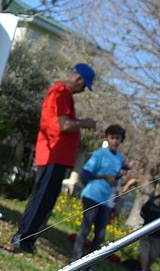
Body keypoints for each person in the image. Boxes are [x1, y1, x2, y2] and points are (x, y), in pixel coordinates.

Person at [11, 63, 97, 254]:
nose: (83, 90)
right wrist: (85, 123)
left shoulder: (62, 93)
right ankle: (23, 238)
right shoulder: (61, 92)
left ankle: (27, 238)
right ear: (77, 79)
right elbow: (64, 125)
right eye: (84, 86)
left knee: (45, 199)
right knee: (43, 198)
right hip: (54, 154)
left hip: (57, 156)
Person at [72, 125, 126, 271]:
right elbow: (85, 173)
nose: (114, 141)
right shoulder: (99, 154)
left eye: (117, 138)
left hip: (106, 200)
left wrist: (118, 181)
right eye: (112, 137)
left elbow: (115, 176)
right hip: (92, 195)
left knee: (100, 234)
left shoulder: (119, 158)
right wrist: (103, 177)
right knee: (85, 228)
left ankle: (89, 266)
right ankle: (75, 261)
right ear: (107, 138)